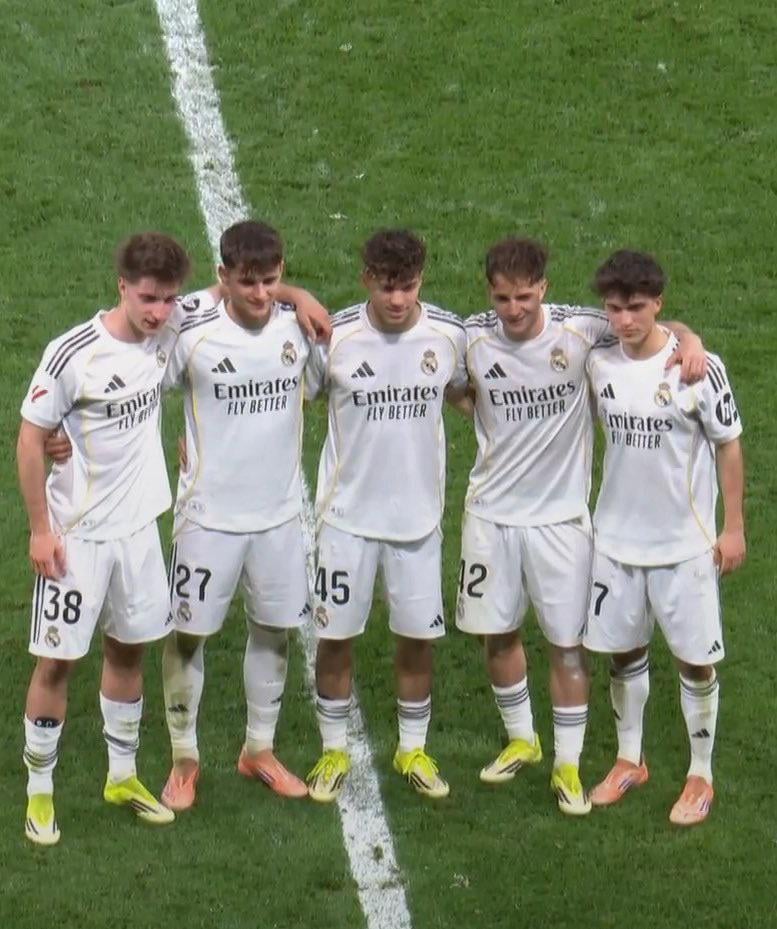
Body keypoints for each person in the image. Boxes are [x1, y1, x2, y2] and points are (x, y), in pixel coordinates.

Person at [457, 238, 707, 815]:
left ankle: (567, 764)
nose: (513, 309)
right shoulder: (468, 337)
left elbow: (654, 323)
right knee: (496, 633)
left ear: (544, 287)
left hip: (562, 521)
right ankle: (523, 738)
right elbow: (449, 384)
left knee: (568, 645)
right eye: (502, 298)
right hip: (489, 513)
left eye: (524, 296)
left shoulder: (582, 329)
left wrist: (691, 341)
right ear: (488, 292)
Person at [17, 232, 191, 845]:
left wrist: (299, 298)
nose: (160, 312)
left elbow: (237, 289)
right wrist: (41, 529)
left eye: (169, 299)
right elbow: (30, 440)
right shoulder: (73, 354)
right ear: (122, 286)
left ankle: (121, 775)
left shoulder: (167, 330)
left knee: (128, 651)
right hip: (78, 539)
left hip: (140, 532)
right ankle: (40, 791)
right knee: (57, 660)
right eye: (149, 298)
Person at [305, 229, 468, 802]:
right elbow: (288, 397)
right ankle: (332, 749)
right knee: (335, 637)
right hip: (346, 518)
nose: (398, 299)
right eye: (387, 286)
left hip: (419, 520)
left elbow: (470, 394)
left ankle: (413, 747)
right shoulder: (336, 337)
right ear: (366, 278)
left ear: (422, 278)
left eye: (408, 286)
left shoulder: (449, 335)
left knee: (415, 639)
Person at [583, 250, 745, 825]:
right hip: (617, 540)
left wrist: (733, 528)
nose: (625, 320)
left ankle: (701, 773)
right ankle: (631, 759)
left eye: (636, 308)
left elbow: (728, 445)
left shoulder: (697, 369)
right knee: (623, 652)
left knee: (694, 661)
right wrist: (685, 331)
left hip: (684, 545)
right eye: (615, 309)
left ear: (657, 304)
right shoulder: (598, 360)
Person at [160, 220, 315, 809]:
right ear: (222, 276)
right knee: (189, 633)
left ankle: (259, 750)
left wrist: (296, 297)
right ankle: (183, 758)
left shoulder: (296, 329)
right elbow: (142, 390)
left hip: (278, 517)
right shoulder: (191, 332)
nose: (259, 295)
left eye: (271, 282)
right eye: (246, 283)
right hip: (208, 518)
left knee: (275, 628)